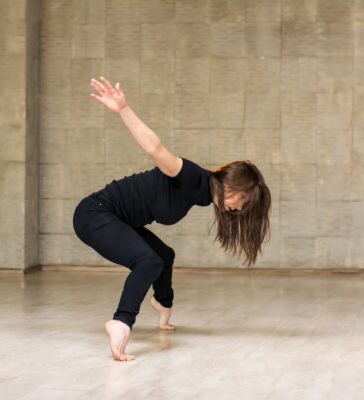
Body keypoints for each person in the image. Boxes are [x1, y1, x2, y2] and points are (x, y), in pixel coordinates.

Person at [72, 76, 272, 362]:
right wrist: (123, 109)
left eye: (239, 207)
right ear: (227, 181)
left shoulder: (204, 194)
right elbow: (156, 148)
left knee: (163, 255)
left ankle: (163, 306)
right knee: (148, 260)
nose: (233, 208)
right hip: (94, 214)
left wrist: (165, 306)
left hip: (115, 218)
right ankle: (121, 322)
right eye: (235, 199)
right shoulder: (191, 176)